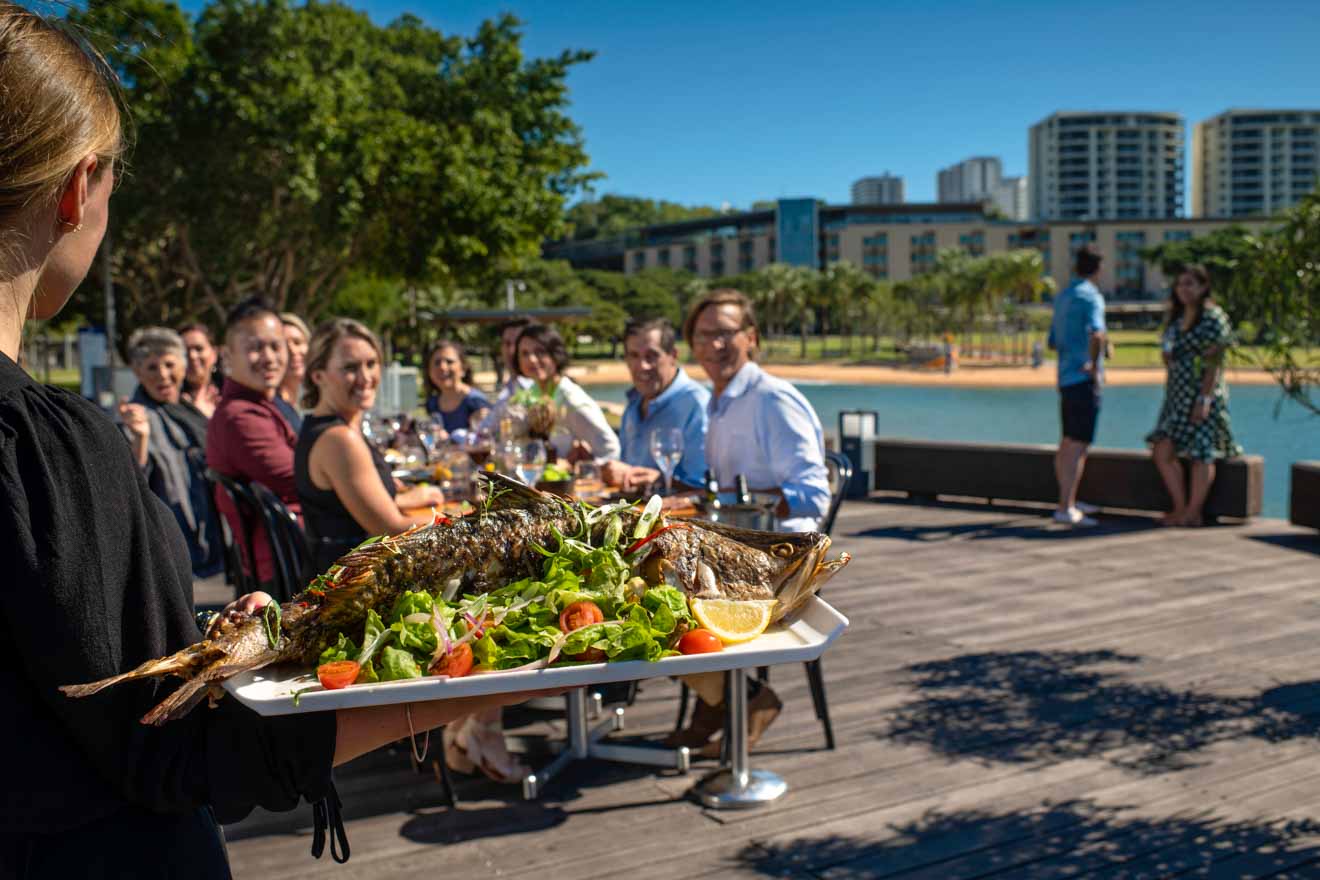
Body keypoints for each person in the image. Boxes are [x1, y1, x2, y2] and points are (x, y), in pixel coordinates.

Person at [0, 9, 543, 875]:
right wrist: (499, 678)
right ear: (77, 188)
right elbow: (175, 756)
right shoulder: (48, 448)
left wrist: (211, 641)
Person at [668, 289, 831, 757]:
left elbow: (814, 494)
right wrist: (703, 500)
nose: (714, 345)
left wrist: (737, 508)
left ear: (751, 337)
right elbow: (726, 489)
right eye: (704, 335)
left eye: (726, 333)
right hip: (736, 549)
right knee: (644, 574)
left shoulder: (772, 399)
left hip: (781, 559)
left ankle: (747, 700)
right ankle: (718, 700)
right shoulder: (718, 401)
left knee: (662, 595)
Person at [295, 319, 445, 574]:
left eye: (371, 364)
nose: (366, 378)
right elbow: (393, 528)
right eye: (350, 368)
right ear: (318, 375)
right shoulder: (339, 440)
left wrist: (412, 497)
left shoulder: (330, 427)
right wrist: (469, 517)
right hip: (348, 588)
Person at [206, 296, 302, 589]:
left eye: (276, 346)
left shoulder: (263, 403)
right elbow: (302, 481)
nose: (270, 357)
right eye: (255, 348)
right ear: (228, 356)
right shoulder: (240, 417)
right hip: (290, 565)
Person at [116, 326, 223, 577]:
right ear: (137, 372)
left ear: (183, 367)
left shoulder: (196, 410)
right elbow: (131, 483)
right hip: (175, 550)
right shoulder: (135, 418)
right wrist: (140, 437)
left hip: (215, 539)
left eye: (169, 364)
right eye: (152, 367)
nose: (162, 375)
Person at [1146, 265, 1242, 527]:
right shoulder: (1177, 319)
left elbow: (1215, 362)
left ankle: (1193, 512)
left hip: (1202, 394)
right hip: (1177, 395)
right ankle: (1180, 507)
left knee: (1202, 453)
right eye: (1180, 285)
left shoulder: (1213, 317)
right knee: (1162, 450)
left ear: (1203, 287)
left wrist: (1205, 399)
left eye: (1190, 284)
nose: (1184, 289)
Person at [602, 316, 709, 494]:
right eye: (634, 356)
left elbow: (704, 488)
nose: (642, 366)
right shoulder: (633, 404)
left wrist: (659, 481)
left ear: (673, 356)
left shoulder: (696, 404)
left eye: (651, 356)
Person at [1047, 244, 1107, 528]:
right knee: (1077, 444)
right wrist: (1094, 363)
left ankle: (1069, 499)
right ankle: (1065, 507)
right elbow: (1097, 333)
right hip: (1083, 380)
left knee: (1068, 441)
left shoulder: (1063, 297)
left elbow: (1052, 341)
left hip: (1065, 377)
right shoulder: (1091, 296)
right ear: (1098, 269)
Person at [515, 323, 621, 462]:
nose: (532, 359)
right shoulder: (532, 394)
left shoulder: (572, 400)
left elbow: (611, 450)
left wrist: (576, 467)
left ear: (555, 354)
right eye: (525, 353)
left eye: (539, 352)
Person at [477, 316, 533, 435]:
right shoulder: (507, 390)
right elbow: (484, 431)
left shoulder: (539, 389)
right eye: (507, 344)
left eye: (517, 343)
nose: (512, 350)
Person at [422, 338, 490, 435]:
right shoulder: (432, 404)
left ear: (463, 368)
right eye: (437, 363)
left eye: (449, 362)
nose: (442, 367)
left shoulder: (477, 402)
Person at [178, 321, 222, 423]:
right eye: (184, 351)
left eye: (199, 349)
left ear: (214, 354)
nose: (192, 356)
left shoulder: (229, 394)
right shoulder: (170, 400)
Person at [276, 311, 310, 432]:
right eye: (284, 345)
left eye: (297, 342)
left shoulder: (320, 398)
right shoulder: (273, 406)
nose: (293, 351)